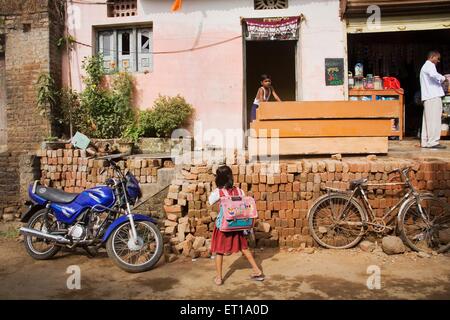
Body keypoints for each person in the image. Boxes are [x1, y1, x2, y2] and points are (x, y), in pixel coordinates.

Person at [208, 165, 264, 285]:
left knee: (219, 251)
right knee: (244, 248)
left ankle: (219, 278)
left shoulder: (218, 192)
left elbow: (210, 201)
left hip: (224, 226)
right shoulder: (240, 191)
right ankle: (257, 270)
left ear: (219, 178)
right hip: (237, 225)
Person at [420, 51, 448, 149]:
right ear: (433, 57)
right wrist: (444, 78)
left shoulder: (425, 66)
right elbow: (434, 74)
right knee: (434, 120)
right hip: (433, 96)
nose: (438, 61)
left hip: (429, 97)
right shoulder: (430, 65)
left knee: (428, 120)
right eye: (437, 58)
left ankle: (426, 141)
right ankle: (433, 142)